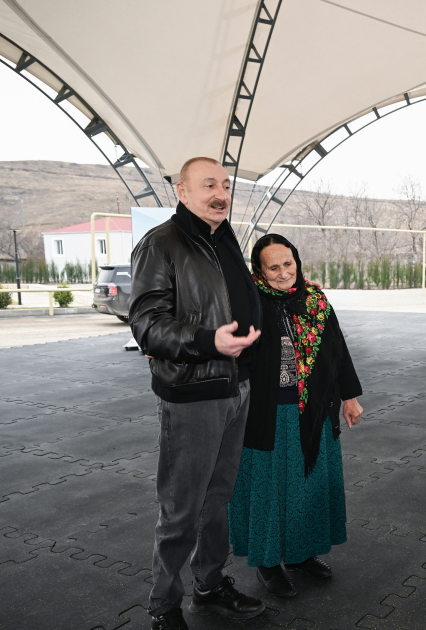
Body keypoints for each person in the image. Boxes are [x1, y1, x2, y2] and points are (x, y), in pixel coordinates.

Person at [130, 157, 265, 629]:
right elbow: (147, 324)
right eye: (208, 184)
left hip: (236, 386)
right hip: (193, 393)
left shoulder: (222, 238)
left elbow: (228, 299)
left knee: (218, 498)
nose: (221, 194)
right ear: (182, 192)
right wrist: (208, 341)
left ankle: (208, 584)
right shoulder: (162, 243)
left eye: (225, 185)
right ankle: (164, 605)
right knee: (182, 508)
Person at [228, 234, 363, 597]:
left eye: (288, 263)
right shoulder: (248, 303)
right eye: (273, 267)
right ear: (259, 271)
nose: (284, 272)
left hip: (314, 411)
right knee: (269, 490)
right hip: (265, 415)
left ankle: (302, 554)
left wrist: (349, 397)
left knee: (307, 486)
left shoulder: (315, 300)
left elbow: (337, 350)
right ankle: (268, 564)